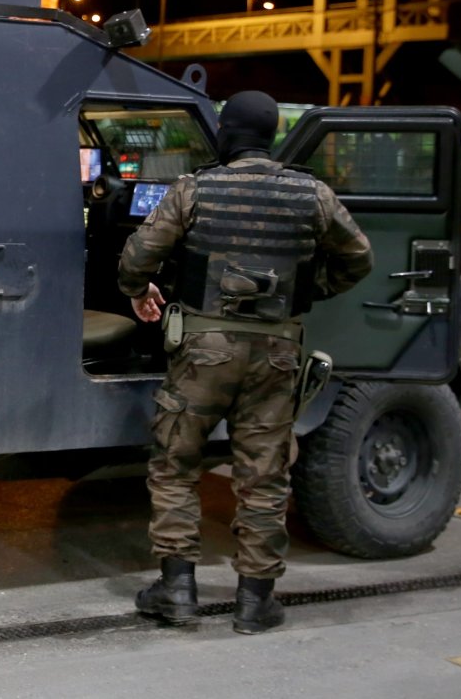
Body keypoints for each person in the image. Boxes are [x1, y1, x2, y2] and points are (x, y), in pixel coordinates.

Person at [117, 90, 373, 634]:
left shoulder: (196, 188)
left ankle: (178, 590)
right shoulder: (312, 193)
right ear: (273, 135)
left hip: (203, 352)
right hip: (277, 356)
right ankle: (255, 602)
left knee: (176, 465)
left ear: (227, 132)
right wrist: (307, 291)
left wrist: (139, 291)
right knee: (264, 478)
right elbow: (358, 257)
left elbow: (140, 254)